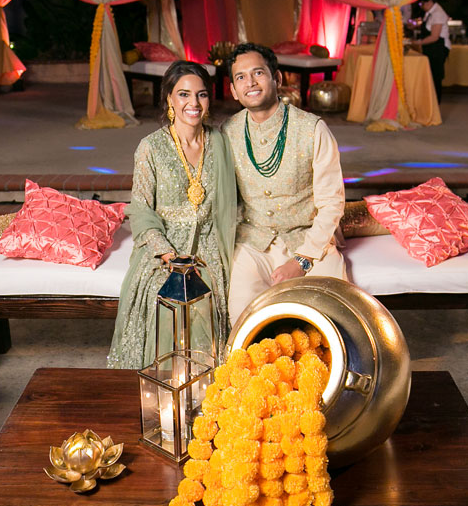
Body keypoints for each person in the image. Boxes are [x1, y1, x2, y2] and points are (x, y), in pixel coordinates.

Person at [107, 61, 236, 369]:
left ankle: (207, 382)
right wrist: (168, 255)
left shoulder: (220, 142)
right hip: (165, 248)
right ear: (169, 98)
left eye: (201, 94)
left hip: (211, 243)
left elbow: (235, 202)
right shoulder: (150, 148)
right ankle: (167, 382)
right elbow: (141, 210)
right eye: (184, 94)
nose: (194, 103)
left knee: (209, 293)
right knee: (164, 294)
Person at [222, 43, 347, 324]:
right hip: (252, 242)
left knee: (332, 318)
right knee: (243, 319)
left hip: (309, 239)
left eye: (258, 73)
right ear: (233, 90)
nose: (250, 83)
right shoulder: (228, 132)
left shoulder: (313, 128)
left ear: (277, 78)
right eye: (241, 77)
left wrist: (303, 260)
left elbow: (332, 203)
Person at [411, 0, 451, 103]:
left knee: (435, 77)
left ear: (429, 1)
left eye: (422, 4)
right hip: (431, 48)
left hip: (438, 48)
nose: (421, 6)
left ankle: (436, 104)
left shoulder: (438, 13)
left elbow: (434, 37)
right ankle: (430, 103)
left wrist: (418, 42)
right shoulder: (430, 13)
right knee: (430, 77)